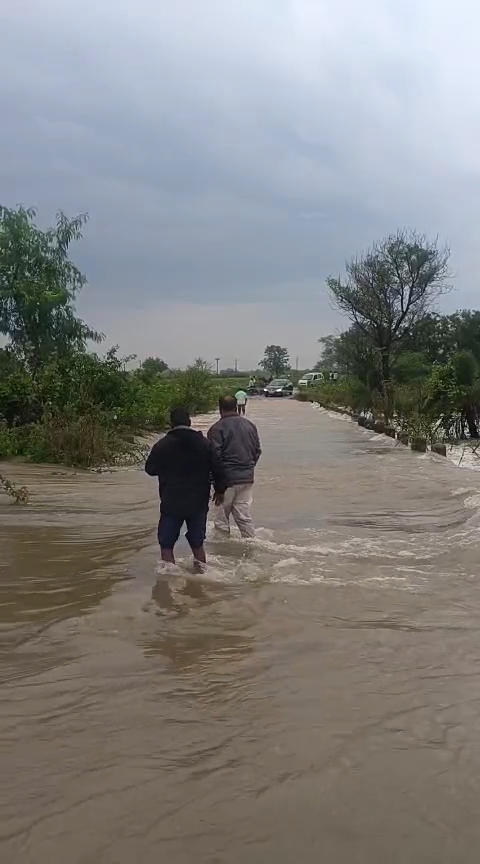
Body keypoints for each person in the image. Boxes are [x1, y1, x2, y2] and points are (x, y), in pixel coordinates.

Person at [145, 407, 227, 570]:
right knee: (197, 542)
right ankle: (202, 576)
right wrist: (220, 490)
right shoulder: (204, 443)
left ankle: (168, 580)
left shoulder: (162, 445)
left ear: (171, 423)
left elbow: (150, 469)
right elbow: (218, 468)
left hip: (172, 500)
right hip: (198, 500)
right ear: (189, 422)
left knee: (167, 543)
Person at [207, 395, 261, 538]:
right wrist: (247, 467)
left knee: (221, 520)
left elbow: (214, 458)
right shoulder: (250, 425)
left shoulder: (217, 428)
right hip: (247, 478)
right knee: (244, 517)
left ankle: (224, 553)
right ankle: (251, 546)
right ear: (236, 406)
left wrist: (218, 486)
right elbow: (257, 451)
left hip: (226, 481)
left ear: (219, 408)